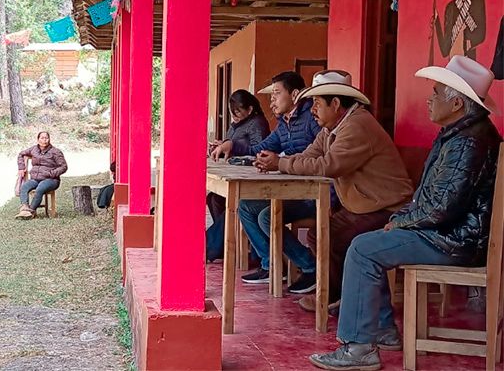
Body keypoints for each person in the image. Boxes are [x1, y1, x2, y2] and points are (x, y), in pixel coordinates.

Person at [309, 56, 502, 370]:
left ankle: (359, 348)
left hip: (454, 240)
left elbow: (442, 207)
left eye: (437, 93)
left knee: (362, 248)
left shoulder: (468, 141)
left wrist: (401, 220)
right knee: (372, 241)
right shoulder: (463, 134)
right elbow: (437, 199)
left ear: (456, 104)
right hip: (450, 234)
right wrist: (400, 221)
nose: (429, 98)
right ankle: (383, 328)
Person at [253, 70, 413, 305]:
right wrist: (278, 163)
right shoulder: (331, 129)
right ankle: (335, 295)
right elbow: (309, 156)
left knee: (327, 235)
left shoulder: (357, 125)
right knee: (322, 234)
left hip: (386, 206)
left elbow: (328, 165)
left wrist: (282, 163)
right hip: (362, 203)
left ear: (336, 103)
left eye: (317, 103)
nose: (313, 109)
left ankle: (334, 298)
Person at [212, 72, 335, 288]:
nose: (271, 100)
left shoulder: (312, 121)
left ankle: (309, 266)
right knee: (246, 207)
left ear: (295, 94)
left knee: (267, 217)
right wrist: (233, 146)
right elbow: (260, 148)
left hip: (320, 193)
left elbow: (324, 157)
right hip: (294, 191)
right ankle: (270, 265)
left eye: (277, 93)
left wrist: (281, 161)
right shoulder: (284, 123)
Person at [205, 89, 270, 262]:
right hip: (236, 170)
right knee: (214, 198)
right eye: (232, 113)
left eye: (238, 113)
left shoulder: (257, 123)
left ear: (249, 110)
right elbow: (231, 143)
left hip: (252, 176)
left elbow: (259, 149)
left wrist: (233, 145)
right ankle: (224, 243)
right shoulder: (236, 125)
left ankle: (210, 246)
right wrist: (222, 145)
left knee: (236, 203)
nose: (234, 117)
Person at [15, 131, 68, 219]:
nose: (44, 140)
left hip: (51, 180)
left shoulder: (55, 152)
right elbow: (21, 154)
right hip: (36, 178)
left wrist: (51, 173)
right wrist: (21, 167)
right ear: (38, 139)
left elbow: (63, 167)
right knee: (24, 187)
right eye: (42, 138)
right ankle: (24, 208)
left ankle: (30, 211)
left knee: (40, 188)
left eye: (46, 138)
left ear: (49, 139)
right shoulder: (33, 149)